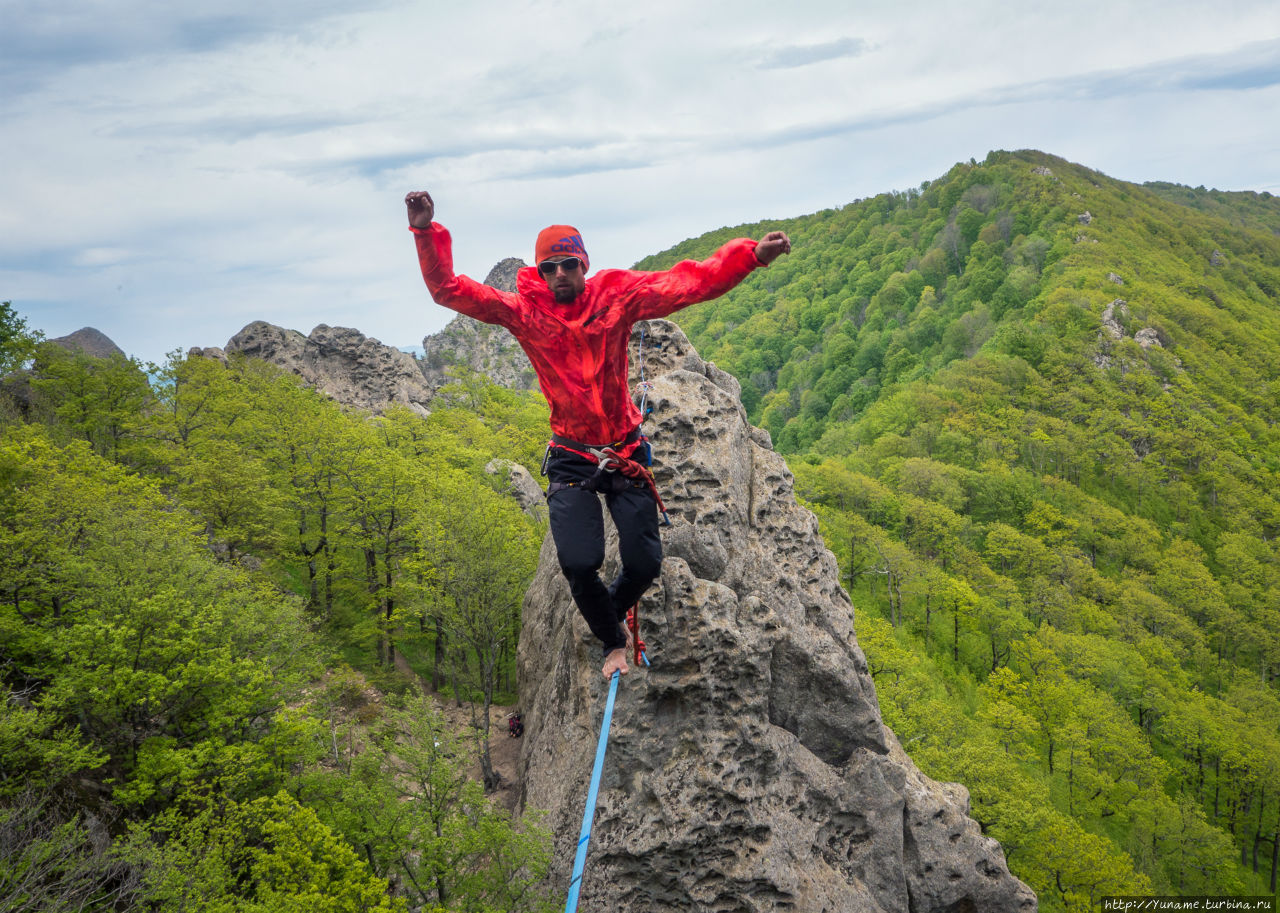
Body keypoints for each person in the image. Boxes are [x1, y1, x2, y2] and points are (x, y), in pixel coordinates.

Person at [406, 190, 790, 680]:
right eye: (550, 267)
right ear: (540, 273)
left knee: (646, 563)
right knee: (578, 560)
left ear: (584, 264)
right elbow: (450, 290)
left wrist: (749, 256)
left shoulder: (617, 295)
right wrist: (424, 232)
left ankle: (607, 613)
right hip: (571, 452)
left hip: (625, 447)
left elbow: (684, 283)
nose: (559, 274)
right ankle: (612, 638)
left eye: (568, 264)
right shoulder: (525, 313)